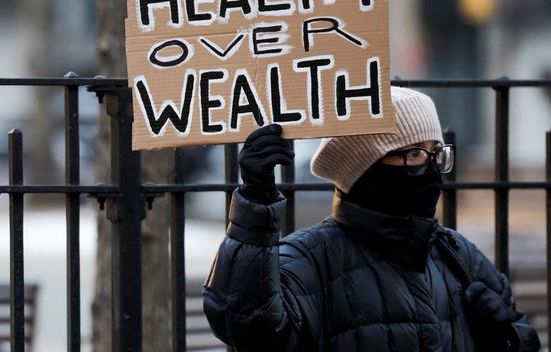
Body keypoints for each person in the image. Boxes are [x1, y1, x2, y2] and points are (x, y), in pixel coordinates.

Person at [203, 87, 540, 352]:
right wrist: (255, 203)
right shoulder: (311, 259)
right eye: (414, 154)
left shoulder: (457, 255)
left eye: (437, 153)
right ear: (365, 168)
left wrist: (506, 338)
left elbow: (522, 336)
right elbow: (249, 328)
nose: (432, 168)